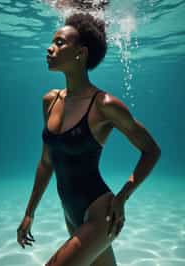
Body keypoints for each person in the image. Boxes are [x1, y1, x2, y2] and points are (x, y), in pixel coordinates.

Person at [17, 13, 161, 266]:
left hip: (99, 214)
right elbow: (46, 163)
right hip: (70, 212)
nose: (50, 48)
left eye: (60, 42)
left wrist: (122, 197)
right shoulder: (49, 101)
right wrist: (29, 212)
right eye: (52, 42)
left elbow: (151, 150)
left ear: (81, 53)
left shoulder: (105, 105)